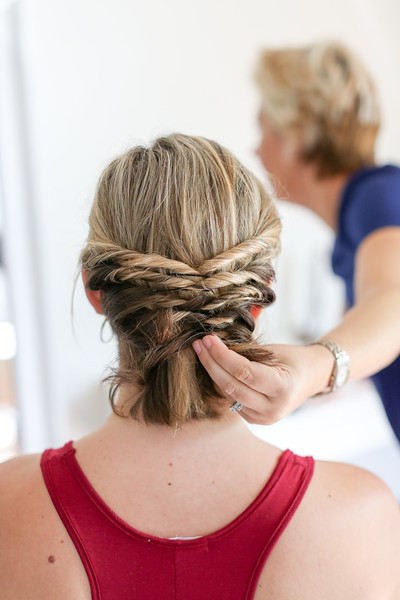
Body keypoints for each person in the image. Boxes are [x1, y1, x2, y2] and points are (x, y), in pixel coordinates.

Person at [0, 134, 399, 599]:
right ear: (257, 298)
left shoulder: (11, 508)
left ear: (94, 289)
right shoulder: (359, 516)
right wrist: (323, 365)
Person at [193, 41, 400, 442]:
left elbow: (393, 299)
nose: (256, 148)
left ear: (298, 135)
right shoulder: (359, 218)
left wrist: (315, 366)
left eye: (264, 128)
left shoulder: (378, 199)